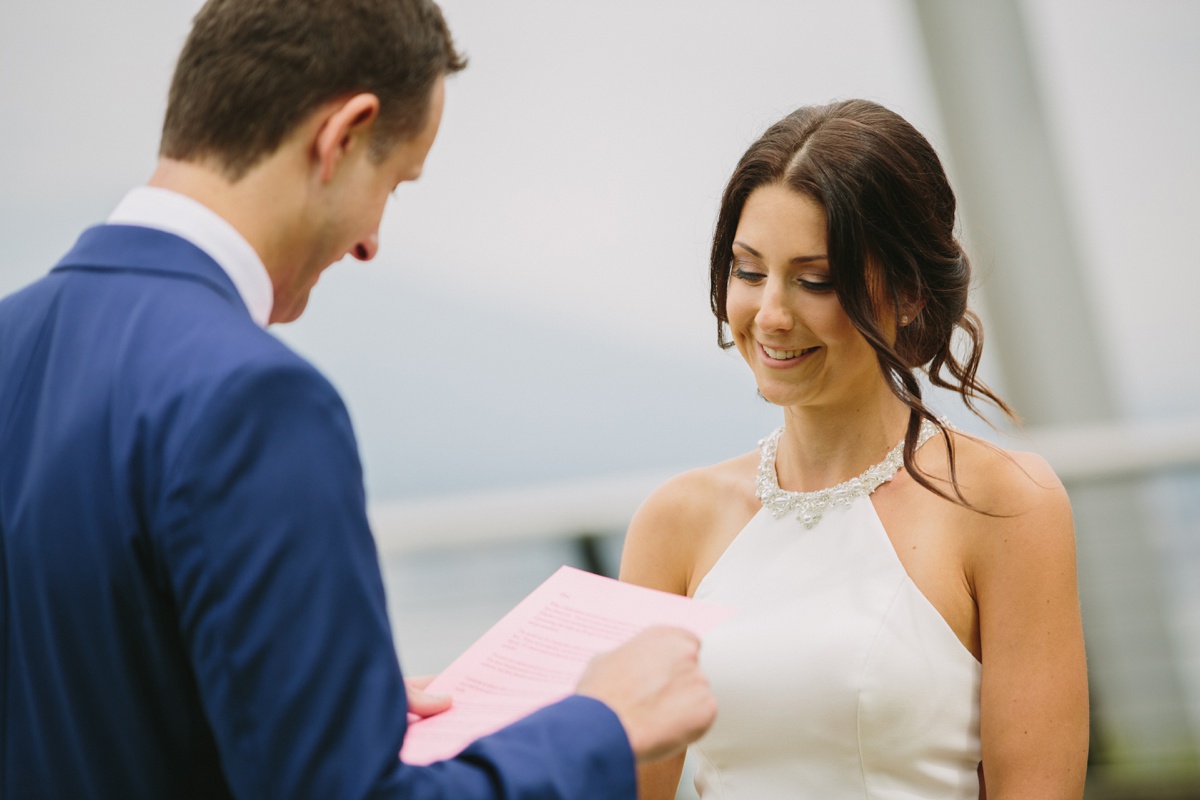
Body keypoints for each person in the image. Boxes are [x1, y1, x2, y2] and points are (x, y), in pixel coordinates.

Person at [0, 1, 716, 797]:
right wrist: (601, 724)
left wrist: (320, 705)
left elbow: (84, 696)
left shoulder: (10, 339)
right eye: (395, 181)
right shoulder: (253, 399)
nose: (372, 241)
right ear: (343, 135)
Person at [619, 99, 1089, 799]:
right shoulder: (675, 522)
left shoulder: (1005, 505)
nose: (771, 316)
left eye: (817, 281)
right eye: (749, 272)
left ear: (906, 293)